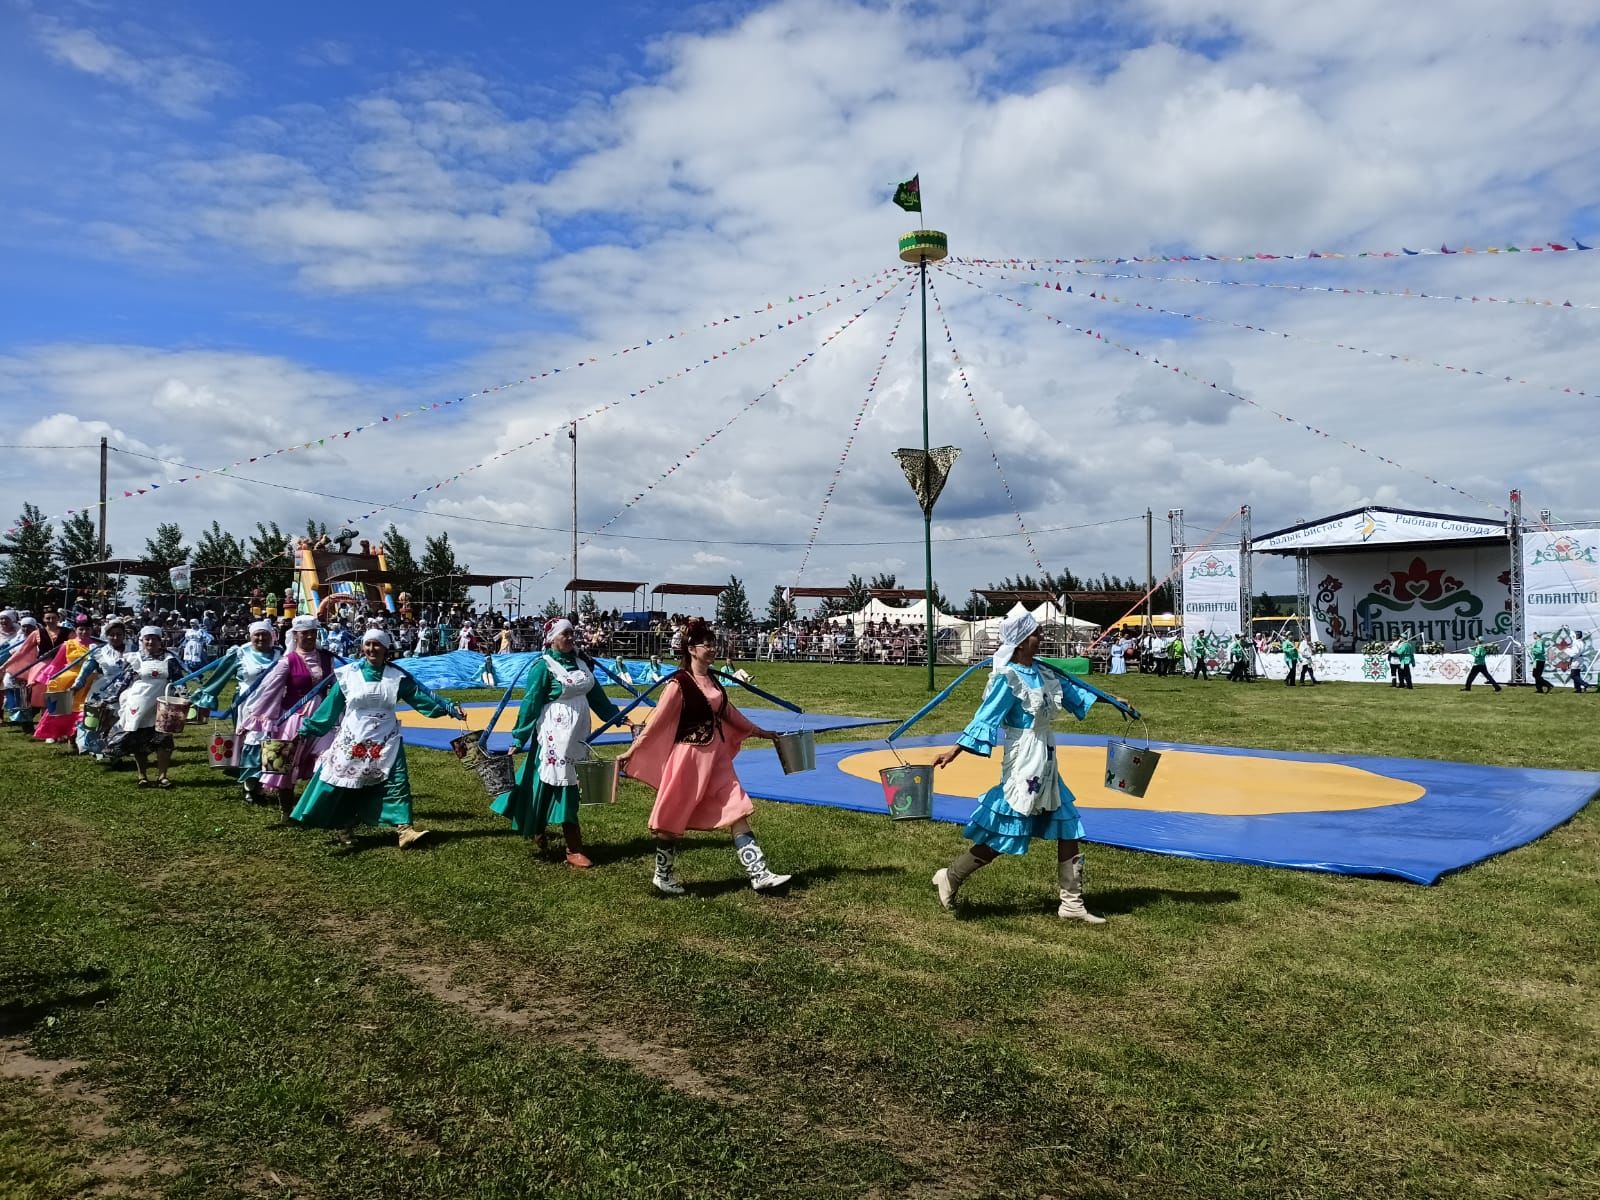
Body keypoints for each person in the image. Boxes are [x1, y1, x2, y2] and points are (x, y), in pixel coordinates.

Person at [928, 612, 1108, 924]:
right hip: (1024, 761)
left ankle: (1072, 903)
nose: (1043, 638)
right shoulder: (1007, 678)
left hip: (1047, 757)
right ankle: (952, 876)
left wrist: (1115, 702)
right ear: (1023, 641)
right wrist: (955, 749)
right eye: (1038, 633)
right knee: (1006, 833)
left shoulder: (1043, 672)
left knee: (1068, 825)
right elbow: (986, 717)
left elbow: (1077, 692)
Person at [614, 617, 789, 896]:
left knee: (738, 808)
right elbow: (656, 723)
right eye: (705, 644)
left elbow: (730, 715)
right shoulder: (678, 684)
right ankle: (663, 875)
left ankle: (759, 873)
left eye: (713, 643)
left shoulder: (714, 681)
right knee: (671, 819)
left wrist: (761, 732)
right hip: (688, 760)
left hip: (717, 759)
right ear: (691, 649)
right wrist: (632, 750)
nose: (712, 647)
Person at [290, 628, 464, 847]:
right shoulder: (347, 674)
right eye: (368, 644)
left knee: (397, 781)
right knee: (348, 784)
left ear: (385, 649)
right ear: (362, 647)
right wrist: (309, 727)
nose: (372, 649)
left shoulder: (397, 676)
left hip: (387, 738)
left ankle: (404, 830)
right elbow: (331, 707)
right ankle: (345, 827)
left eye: (377, 645)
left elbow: (421, 698)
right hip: (353, 738)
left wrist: (449, 708)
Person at [491, 618, 637, 866]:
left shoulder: (581, 663)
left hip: (577, 737)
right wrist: (519, 736)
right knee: (562, 784)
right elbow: (531, 703)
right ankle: (573, 847)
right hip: (554, 737)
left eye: (572, 633)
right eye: (565, 634)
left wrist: (618, 718)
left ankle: (538, 826)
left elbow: (597, 697)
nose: (570, 638)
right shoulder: (543, 666)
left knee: (557, 783)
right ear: (551, 639)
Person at [239, 614, 339, 817]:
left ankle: (315, 807)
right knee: (285, 764)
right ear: (295, 635)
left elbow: (339, 687)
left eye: (313, 632)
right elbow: (270, 691)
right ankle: (286, 810)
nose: (310, 637)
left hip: (321, 719)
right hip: (293, 718)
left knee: (326, 759)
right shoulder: (287, 661)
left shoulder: (328, 658)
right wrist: (258, 719)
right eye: (305, 634)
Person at [187, 620, 281, 802]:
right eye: (257, 635)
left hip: (276, 706)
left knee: (272, 744)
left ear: (272, 636)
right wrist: (206, 697)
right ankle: (250, 786)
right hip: (249, 705)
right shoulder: (240, 654)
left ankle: (266, 785)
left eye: (265, 634)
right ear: (250, 636)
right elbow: (219, 677)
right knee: (252, 743)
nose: (261, 638)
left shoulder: (281, 654)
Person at [104, 626, 185, 788]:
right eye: (147, 638)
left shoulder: (169, 659)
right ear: (141, 640)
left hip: (162, 703)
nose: (150, 642)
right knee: (139, 741)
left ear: (160, 640)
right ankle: (142, 776)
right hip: (139, 702)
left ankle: (163, 776)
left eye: (154, 638)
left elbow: (179, 680)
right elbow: (124, 680)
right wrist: (109, 697)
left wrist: (184, 696)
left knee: (164, 740)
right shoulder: (135, 658)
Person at [31, 615, 98, 746]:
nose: (84, 632)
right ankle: (62, 735)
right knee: (63, 711)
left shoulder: (97, 646)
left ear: (92, 630)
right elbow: (56, 664)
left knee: (84, 711)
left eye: (87, 629)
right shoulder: (68, 645)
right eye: (81, 629)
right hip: (68, 681)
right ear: (76, 629)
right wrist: (44, 678)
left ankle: (81, 739)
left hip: (90, 682)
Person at [73, 619, 131, 761]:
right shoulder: (99, 651)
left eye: (119, 634)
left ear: (124, 635)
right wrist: (77, 684)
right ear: (106, 635)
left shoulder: (134, 649)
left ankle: (116, 749)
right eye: (112, 635)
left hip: (127, 689)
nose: (116, 638)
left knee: (119, 720)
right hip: (103, 688)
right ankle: (97, 747)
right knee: (98, 719)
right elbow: (86, 670)